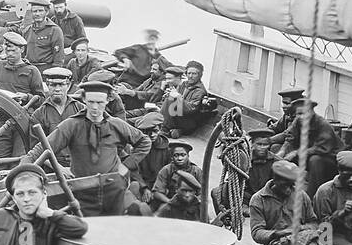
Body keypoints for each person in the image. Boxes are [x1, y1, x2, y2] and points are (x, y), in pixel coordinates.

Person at [26, 80, 150, 216]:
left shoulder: (116, 125)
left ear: (108, 100)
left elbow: (144, 142)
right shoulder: (71, 125)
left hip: (114, 189)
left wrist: (126, 166)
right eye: (91, 102)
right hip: (83, 192)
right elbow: (42, 148)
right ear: (84, 99)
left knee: (130, 216)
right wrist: (22, 168)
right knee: (88, 226)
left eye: (100, 102)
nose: (95, 107)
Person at [249, 160, 330, 245]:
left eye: (292, 185)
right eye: (285, 185)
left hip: (303, 238)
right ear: (275, 179)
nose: (289, 189)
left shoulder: (301, 195)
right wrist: (278, 233)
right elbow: (257, 233)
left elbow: (313, 221)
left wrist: (302, 229)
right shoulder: (258, 200)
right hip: (277, 243)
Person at [275, 98, 343, 192]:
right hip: (307, 154)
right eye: (299, 114)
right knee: (277, 150)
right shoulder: (298, 121)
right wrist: (282, 151)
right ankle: (282, 188)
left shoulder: (323, 124)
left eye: (305, 113)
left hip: (329, 159)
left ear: (311, 112)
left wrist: (295, 153)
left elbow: (321, 148)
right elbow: (290, 137)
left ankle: (312, 195)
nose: (301, 117)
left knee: (315, 160)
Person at [211, 127, 276, 220]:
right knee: (216, 192)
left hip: (263, 198)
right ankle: (226, 219)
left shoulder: (276, 162)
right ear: (252, 144)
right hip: (244, 194)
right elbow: (229, 166)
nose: (262, 147)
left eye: (265, 145)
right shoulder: (243, 157)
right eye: (259, 144)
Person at [150, 141, 203, 220]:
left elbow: (202, 193)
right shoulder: (166, 170)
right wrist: (169, 202)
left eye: (183, 155)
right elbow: (157, 192)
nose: (179, 158)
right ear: (172, 157)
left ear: (188, 156)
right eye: (176, 155)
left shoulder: (196, 171)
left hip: (190, 202)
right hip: (172, 201)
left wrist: (194, 201)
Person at [165, 61, 218, 137]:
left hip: (189, 121)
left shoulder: (199, 91)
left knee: (170, 102)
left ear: (199, 75)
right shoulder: (183, 85)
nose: (190, 76)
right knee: (168, 99)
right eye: (189, 73)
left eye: (194, 74)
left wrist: (177, 96)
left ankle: (166, 129)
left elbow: (191, 109)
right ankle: (172, 129)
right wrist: (170, 95)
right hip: (180, 116)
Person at [23, 0, 65, 68]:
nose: (37, 14)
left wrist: (55, 72)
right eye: (34, 11)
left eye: (40, 11)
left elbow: (59, 58)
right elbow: (22, 52)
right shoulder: (27, 30)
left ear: (47, 12)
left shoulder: (54, 30)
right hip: (29, 69)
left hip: (46, 69)